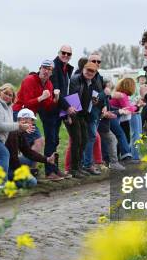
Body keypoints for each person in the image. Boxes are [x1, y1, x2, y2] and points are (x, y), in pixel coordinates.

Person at [12, 59, 59, 179]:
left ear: (51, 73)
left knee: (36, 142)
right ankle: (24, 172)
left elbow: (47, 106)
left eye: (49, 69)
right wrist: (41, 97)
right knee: (36, 142)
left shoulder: (49, 84)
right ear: (40, 68)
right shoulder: (29, 80)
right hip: (19, 113)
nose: (46, 71)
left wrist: (55, 99)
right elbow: (27, 103)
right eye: (44, 68)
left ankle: (29, 172)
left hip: (30, 116)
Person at [0, 84, 32, 176]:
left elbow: (9, 126)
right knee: (4, 154)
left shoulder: (9, 108)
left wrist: (21, 129)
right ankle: (1, 185)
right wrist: (18, 126)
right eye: (5, 93)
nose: (7, 96)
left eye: (10, 95)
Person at [5, 108, 58, 186]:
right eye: (32, 120)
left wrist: (47, 159)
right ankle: (7, 181)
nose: (33, 123)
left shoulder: (21, 133)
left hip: (12, 164)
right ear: (24, 120)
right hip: (7, 167)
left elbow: (29, 152)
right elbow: (13, 159)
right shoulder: (13, 133)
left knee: (30, 162)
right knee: (32, 182)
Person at [44, 45, 75, 178]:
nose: (66, 55)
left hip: (57, 109)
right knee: (51, 140)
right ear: (59, 53)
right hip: (48, 109)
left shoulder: (65, 69)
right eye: (64, 53)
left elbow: (64, 92)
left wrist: (65, 113)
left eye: (69, 54)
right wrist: (68, 107)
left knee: (55, 140)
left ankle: (55, 169)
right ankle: (49, 171)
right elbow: (55, 90)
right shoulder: (54, 67)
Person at [66, 62, 99, 178]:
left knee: (84, 139)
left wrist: (94, 101)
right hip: (72, 113)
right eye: (88, 70)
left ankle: (79, 167)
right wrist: (69, 116)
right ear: (83, 69)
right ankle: (73, 169)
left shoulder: (92, 82)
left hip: (82, 114)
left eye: (92, 71)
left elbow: (90, 97)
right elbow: (71, 96)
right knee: (77, 140)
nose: (89, 72)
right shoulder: (76, 79)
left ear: (95, 73)